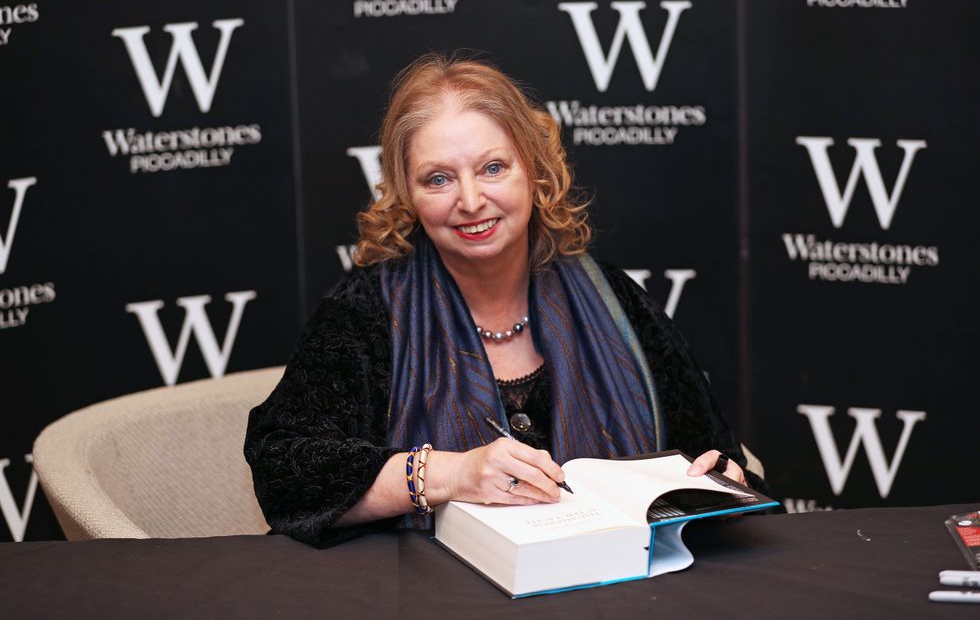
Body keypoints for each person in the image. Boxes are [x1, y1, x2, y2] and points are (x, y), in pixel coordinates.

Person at [244, 53, 768, 548]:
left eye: (493, 168)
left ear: (535, 170)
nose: (470, 201)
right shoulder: (364, 313)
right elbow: (285, 470)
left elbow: (713, 456)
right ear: (406, 192)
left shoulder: (615, 302)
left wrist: (718, 479)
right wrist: (450, 474)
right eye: (439, 179)